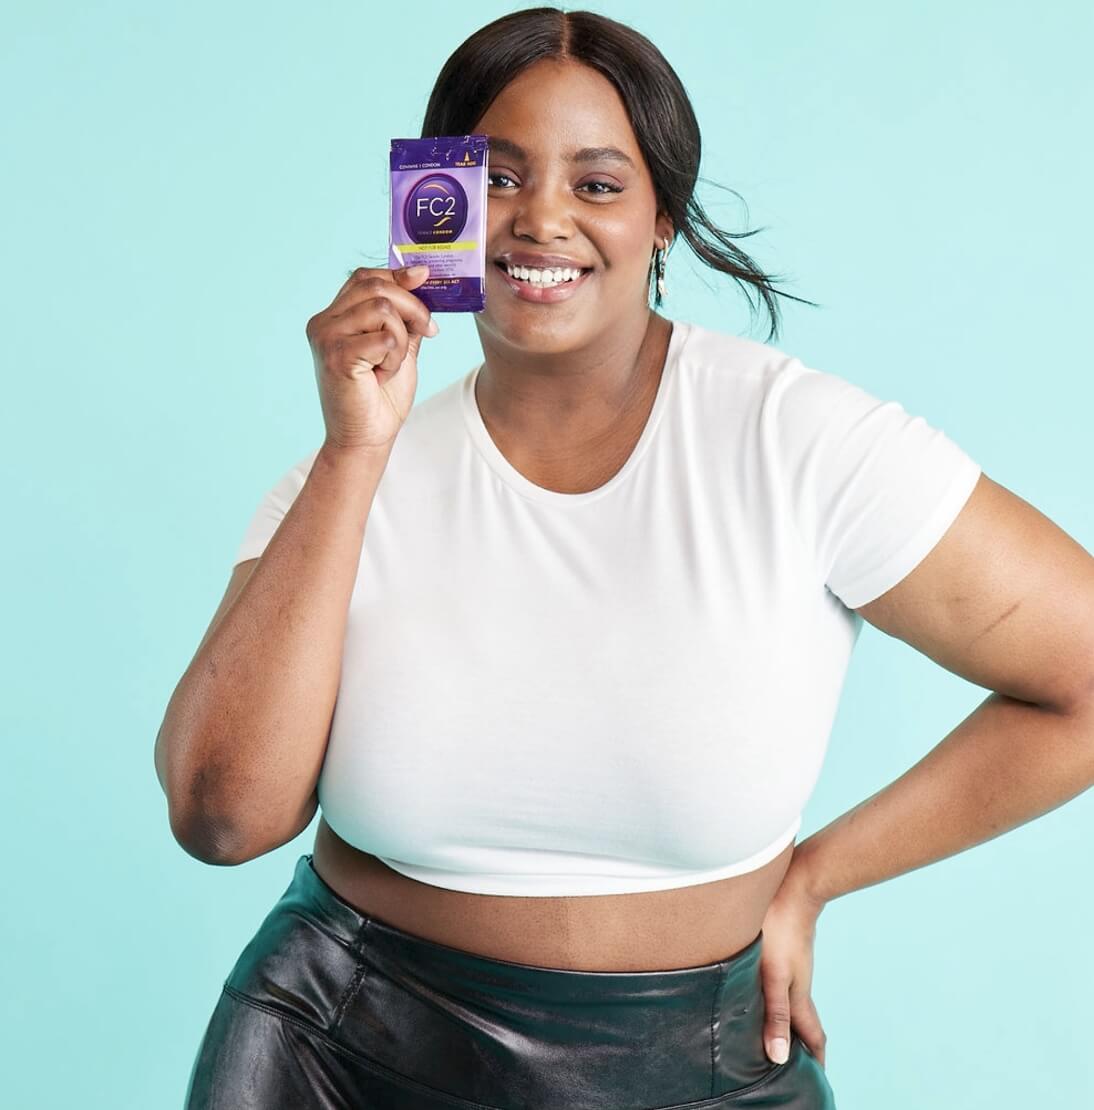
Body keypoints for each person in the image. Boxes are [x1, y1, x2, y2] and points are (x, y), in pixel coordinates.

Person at [158, 8, 1094, 1109]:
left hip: (707, 1065)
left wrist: (812, 876)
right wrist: (354, 452)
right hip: (338, 1057)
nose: (540, 220)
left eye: (596, 185)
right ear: (436, 202)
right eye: (497, 179)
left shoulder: (797, 443)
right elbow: (222, 820)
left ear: (662, 219)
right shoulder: (347, 474)